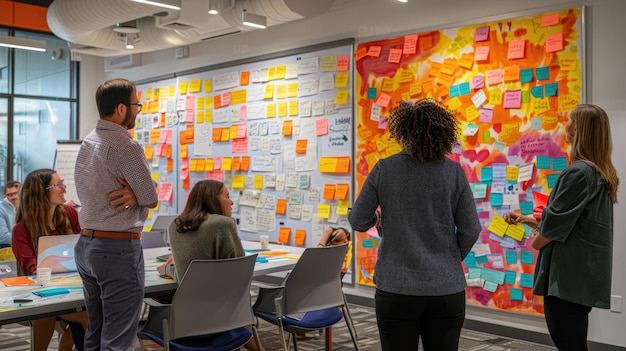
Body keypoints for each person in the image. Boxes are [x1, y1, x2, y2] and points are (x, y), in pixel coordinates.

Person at [348, 99, 481, 351]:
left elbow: (357, 220)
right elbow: (471, 228)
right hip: (446, 288)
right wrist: (450, 258)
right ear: (443, 134)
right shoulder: (454, 172)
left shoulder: (384, 169)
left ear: (403, 132)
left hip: (396, 288)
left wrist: (379, 221)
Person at [506, 104, 619, 350]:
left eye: (570, 120)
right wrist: (525, 219)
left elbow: (554, 226)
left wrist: (537, 241)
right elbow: (571, 221)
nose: (565, 125)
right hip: (580, 279)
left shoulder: (579, 173)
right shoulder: (600, 173)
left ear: (577, 129)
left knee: (569, 343)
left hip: (566, 281)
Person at [74, 78, 158, 350]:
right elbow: (151, 197)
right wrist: (138, 194)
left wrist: (135, 194)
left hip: (87, 245)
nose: (138, 110)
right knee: (119, 339)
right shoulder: (125, 145)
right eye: (137, 105)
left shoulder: (89, 141)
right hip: (116, 248)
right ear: (121, 109)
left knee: (95, 334)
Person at [156, 179, 262, 351]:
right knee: (242, 301)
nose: (232, 201)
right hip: (223, 317)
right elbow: (239, 272)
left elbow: (186, 277)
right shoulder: (222, 224)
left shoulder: (175, 226)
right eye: (227, 196)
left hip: (183, 324)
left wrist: (169, 268)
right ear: (213, 199)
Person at [11, 169, 88, 351]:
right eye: (57, 185)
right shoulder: (21, 230)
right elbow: (31, 269)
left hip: (77, 288)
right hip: (45, 294)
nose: (64, 188)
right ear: (40, 192)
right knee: (85, 318)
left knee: (93, 314)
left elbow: (84, 249)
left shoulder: (70, 214)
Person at [0, 180, 20, 248]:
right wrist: (24, 239)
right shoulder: (1, 209)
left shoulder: (26, 207)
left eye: (15, 193)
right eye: (9, 195)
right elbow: (2, 236)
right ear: (4, 195)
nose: (13, 197)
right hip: (5, 247)